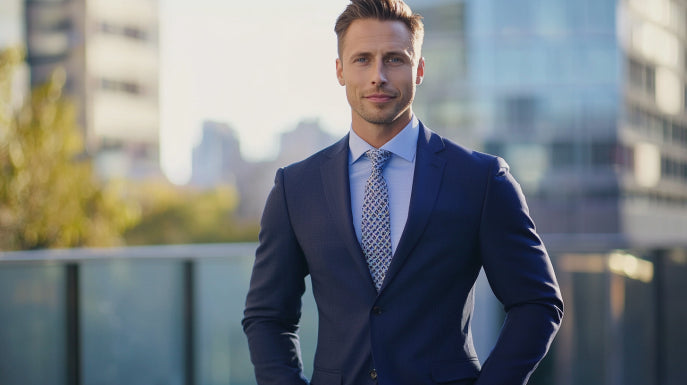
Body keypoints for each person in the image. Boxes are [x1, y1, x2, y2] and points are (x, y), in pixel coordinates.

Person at [242, 0, 563, 384]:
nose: (378, 75)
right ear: (340, 71)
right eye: (362, 59)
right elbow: (267, 317)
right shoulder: (296, 188)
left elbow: (537, 303)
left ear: (420, 69)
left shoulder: (481, 179)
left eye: (394, 59)